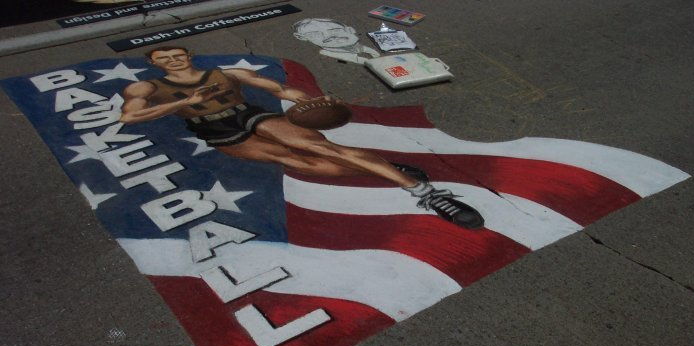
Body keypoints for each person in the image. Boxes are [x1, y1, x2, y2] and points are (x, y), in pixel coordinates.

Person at [119, 46, 484, 229]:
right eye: (166, 57)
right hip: (214, 130)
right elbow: (130, 116)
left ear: (188, 55)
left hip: (249, 115)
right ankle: (386, 170)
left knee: (314, 145)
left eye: (178, 53)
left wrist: (309, 101)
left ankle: (427, 193)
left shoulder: (225, 73)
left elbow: (279, 89)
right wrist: (186, 103)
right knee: (299, 162)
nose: (174, 59)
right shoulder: (146, 87)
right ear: (156, 63)